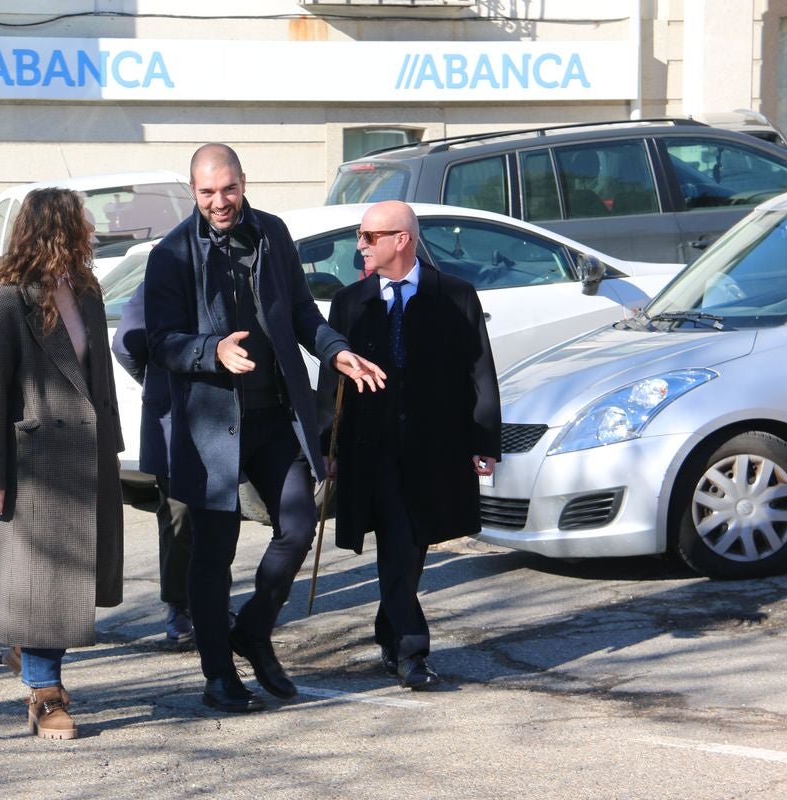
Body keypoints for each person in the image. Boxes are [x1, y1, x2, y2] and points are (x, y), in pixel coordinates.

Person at [143, 143, 386, 713]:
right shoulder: (171, 253)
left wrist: (336, 352)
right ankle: (218, 674)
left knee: (298, 526)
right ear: (193, 191)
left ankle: (252, 630)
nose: (220, 202)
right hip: (210, 427)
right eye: (207, 193)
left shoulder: (272, 234)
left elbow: (302, 313)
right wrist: (211, 351)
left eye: (228, 189)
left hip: (274, 416)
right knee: (213, 555)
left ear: (243, 182)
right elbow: (160, 342)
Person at [319, 200, 502, 689]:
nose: (360, 245)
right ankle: (409, 648)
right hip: (369, 446)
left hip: (432, 446)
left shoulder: (455, 295)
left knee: (410, 544)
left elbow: (479, 370)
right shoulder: (350, 301)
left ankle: (395, 636)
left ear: (402, 239)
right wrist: (326, 446)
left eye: (369, 236)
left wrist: (485, 438)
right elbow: (328, 379)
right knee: (398, 539)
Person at [0, 187, 124, 741]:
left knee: (74, 581)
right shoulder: (7, 300)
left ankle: (31, 658)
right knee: (44, 585)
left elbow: (98, 375)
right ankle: (45, 694)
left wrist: (113, 440)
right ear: (57, 228)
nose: (89, 229)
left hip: (87, 451)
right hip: (34, 461)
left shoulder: (85, 289)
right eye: (80, 222)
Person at [111, 280, 194, 646]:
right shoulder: (166, 270)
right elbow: (126, 343)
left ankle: (211, 600)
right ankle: (179, 605)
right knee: (179, 514)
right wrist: (157, 380)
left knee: (221, 515)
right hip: (174, 419)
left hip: (223, 417)